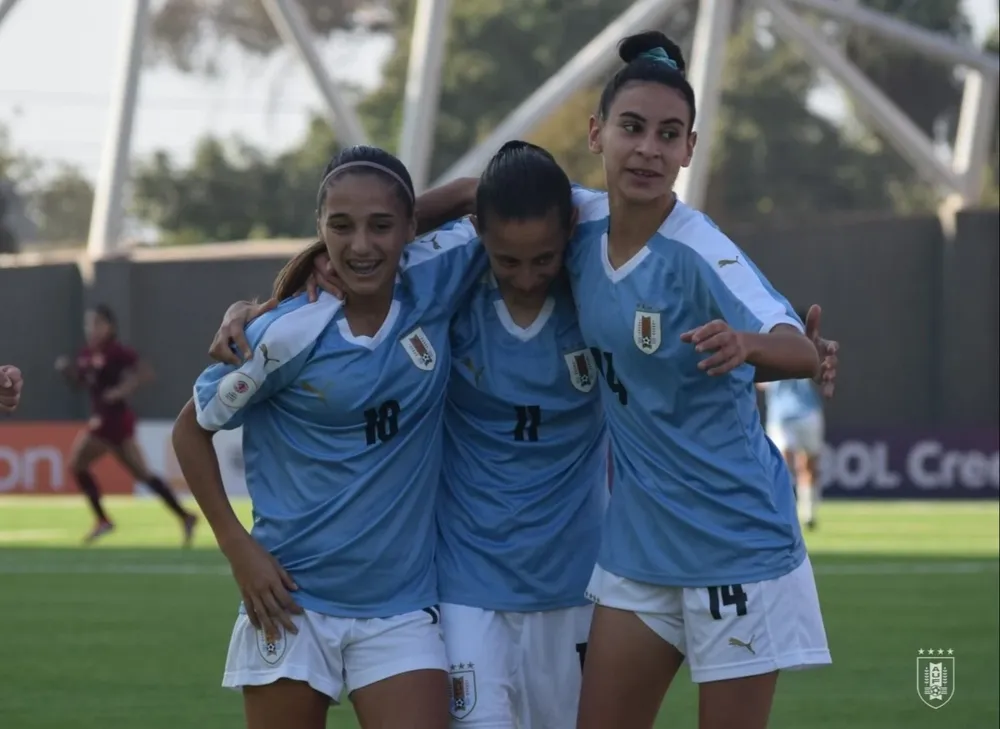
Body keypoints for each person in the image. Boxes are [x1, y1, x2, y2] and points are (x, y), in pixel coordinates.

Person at [566, 32, 831, 729]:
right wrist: (314, 263)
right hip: (638, 546)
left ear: (689, 148)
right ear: (597, 133)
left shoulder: (701, 248)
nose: (648, 148)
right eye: (632, 127)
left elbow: (798, 352)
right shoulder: (572, 222)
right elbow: (481, 195)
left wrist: (747, 343)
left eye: (668, 134)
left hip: (735, 543)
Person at [171, 145, 486, 729]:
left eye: (381, 225)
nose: (361, 245)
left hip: (401, 607)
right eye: (340, 227)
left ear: (412, 226)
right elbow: (191, 429)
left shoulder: (438, 277)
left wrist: (464, 192)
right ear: (319, 231)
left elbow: (504, 200)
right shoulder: (285, 330)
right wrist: (239, 551)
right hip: (291, 601)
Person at [55, 304, 197, 545]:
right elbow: (81, 383)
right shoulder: (87, 354)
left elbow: (145, 373)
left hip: (113, 419)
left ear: (110, 327)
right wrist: (67, 371)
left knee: (77, 464)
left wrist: (121, 390)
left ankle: (103, 521)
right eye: (89, 324)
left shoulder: (117, 352)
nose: (92, 329)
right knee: (142, 474)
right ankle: (185, 516)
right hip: (107, 420)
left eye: (97, 323)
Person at [760, 316, 827, 530]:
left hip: (807, 413)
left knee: (808, 465)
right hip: (781, 416)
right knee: (783, 464)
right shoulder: (769, 347)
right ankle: (783, 513)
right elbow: (761, 382)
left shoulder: (810, 348)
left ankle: (808, 513)